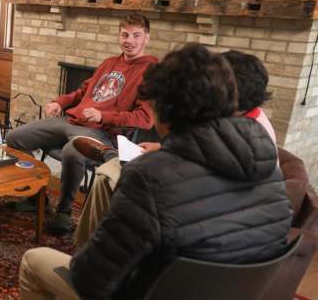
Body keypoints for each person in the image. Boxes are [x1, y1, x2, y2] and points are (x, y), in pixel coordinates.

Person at [9, 43, 291, 300]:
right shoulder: (270, 168)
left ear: (167, 110)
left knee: (34, 262)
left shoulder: (150, 177)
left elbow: (91, 282)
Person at [71, 49, 278, 248]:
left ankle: (86, 244)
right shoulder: (251, 130)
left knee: (108, 174)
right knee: (110, 172)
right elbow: (209, 154)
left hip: (190, 214)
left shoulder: (235, 132)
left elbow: (202, 174)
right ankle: (109, 159)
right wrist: (163, 148)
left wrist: (162, 156)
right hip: (215, 232)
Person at [6, 13, 156, 234]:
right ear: (119, 36)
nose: (129, 41)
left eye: (136, 35)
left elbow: (145, 118)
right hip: (72, 120)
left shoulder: (151, 70)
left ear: (146, 39)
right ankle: (34, 198)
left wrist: (104, 117)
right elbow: (82, 92)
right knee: (14, 137)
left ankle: (63, 213)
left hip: (105, 134)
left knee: (72, 151)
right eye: (125, 34)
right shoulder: (109, 63)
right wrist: (59, 102)